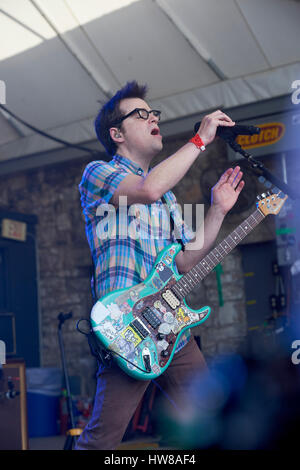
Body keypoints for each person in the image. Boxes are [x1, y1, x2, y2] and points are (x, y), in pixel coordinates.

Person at [75, 81, 244, 450]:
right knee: (100, 443)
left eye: (154, 113)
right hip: (127, 328)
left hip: (172, 331)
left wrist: (217, 210)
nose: (153, 117)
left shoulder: (167, 198)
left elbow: (185, 259)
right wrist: (199, 141)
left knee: (211, 419)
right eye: (141, 114)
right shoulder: (98, 174)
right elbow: (146, 189)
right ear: (116, 133)